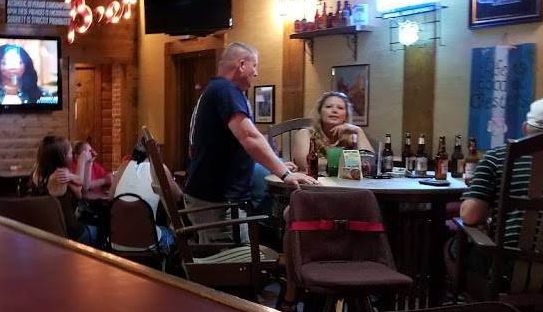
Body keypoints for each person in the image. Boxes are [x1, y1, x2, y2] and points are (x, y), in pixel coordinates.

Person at [184, 42, 316, 243]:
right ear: (242, 65)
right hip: (217, 202)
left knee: (225, 255)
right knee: (238, 260)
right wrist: (285, 174)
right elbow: (249, 137)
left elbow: (236, 141)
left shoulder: (216, 89)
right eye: (255, 66)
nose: (256, 73)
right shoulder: (226, 89)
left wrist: (276, 164)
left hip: (208, 198)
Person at [458, 96, 543, 258]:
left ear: (525, 128)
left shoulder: (498, 157)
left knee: (452, 249)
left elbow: (471, 215)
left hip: (507, 262)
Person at [111, 140, 182, 252]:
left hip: (116, 241)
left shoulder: (123, 167)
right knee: (173, 233)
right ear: (156, 152)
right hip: (148, 244)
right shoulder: (160, 169)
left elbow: (111, 197)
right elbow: (178, 197)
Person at [31, 135, 98, 245]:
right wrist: (81, 161)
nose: (72, 156)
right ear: (62, 157)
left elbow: (81, 190)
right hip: (69, 235)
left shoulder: (38, 174)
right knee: (99, 228)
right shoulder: (60, 176)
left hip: (48, 233)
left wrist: (88, 163)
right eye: (70, 153)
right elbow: (80, 183)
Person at [291, 91, 373, 171]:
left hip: (343, 180)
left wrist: (358, 131)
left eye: (340, 108)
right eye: (329, 106)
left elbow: (368, 164)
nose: (334, 110)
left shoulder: (352, 138)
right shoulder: (305, 134)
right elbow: (305, 164)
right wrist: (350, 163)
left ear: (346, 115)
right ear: (320, 112)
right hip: (311, 179)